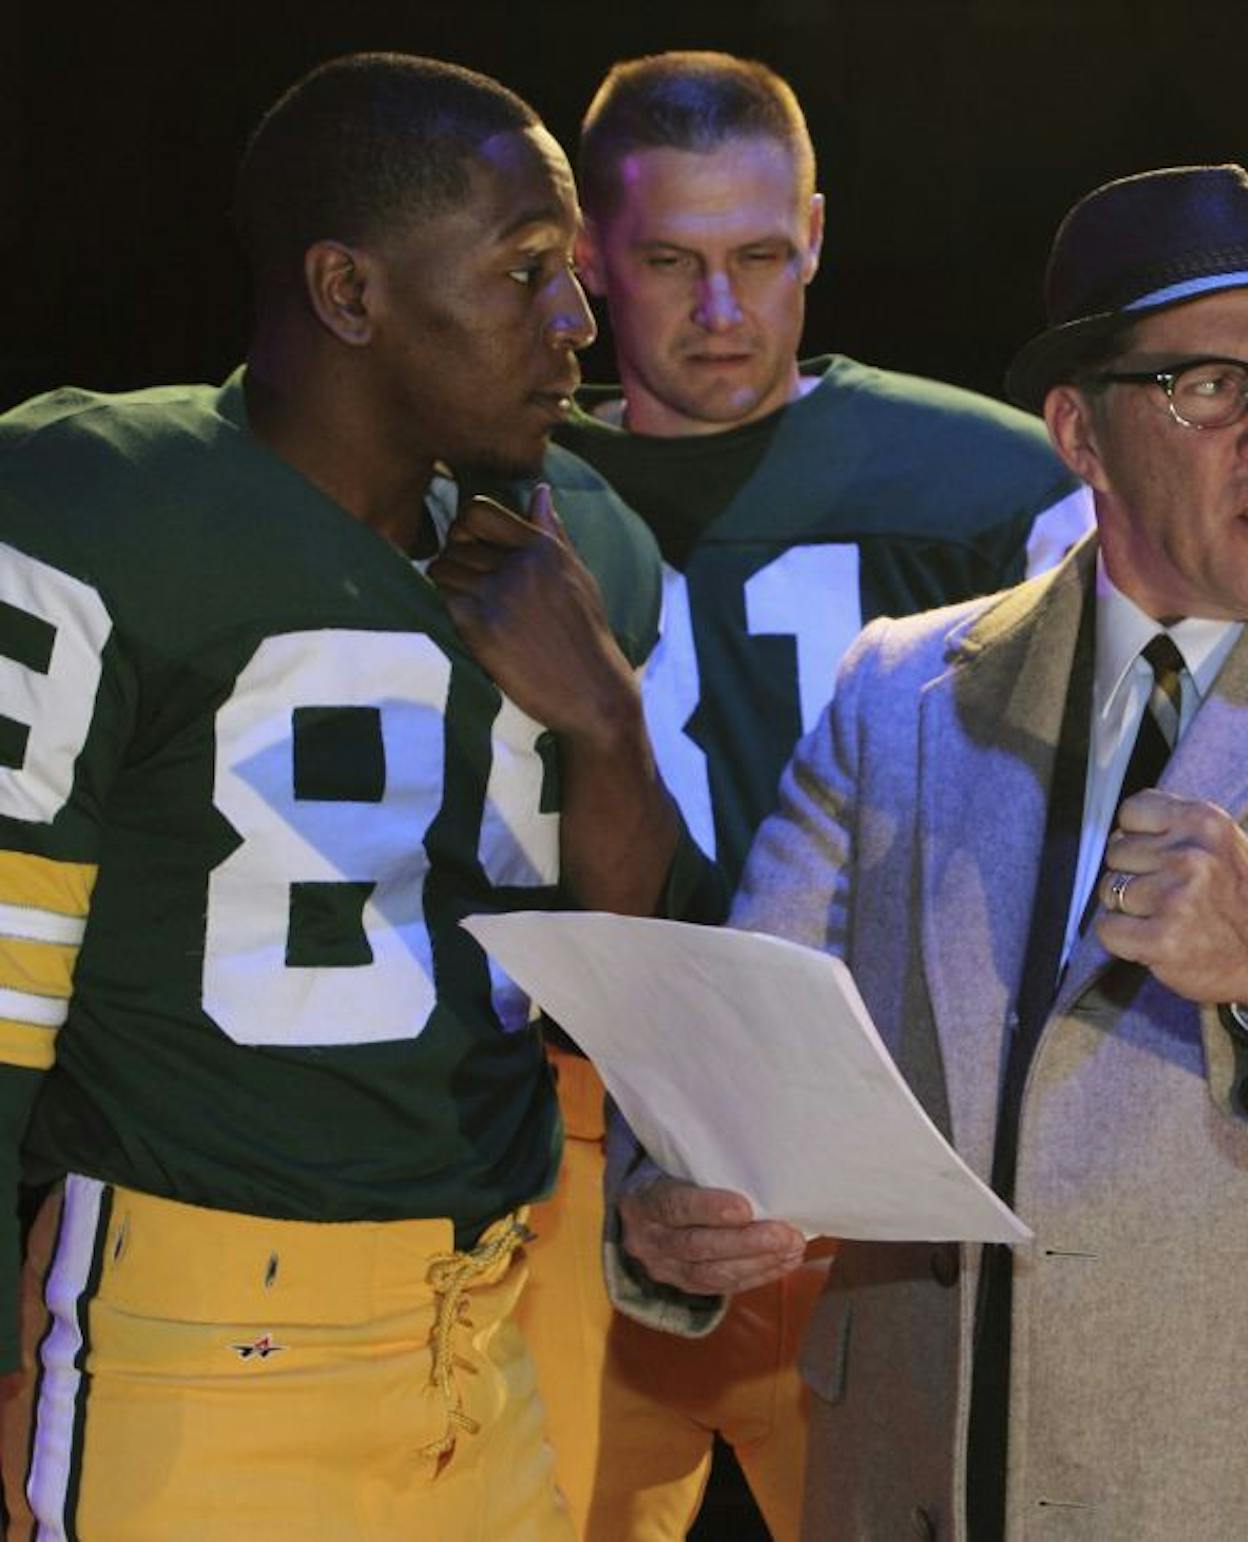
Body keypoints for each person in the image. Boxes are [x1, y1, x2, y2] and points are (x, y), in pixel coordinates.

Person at [606, 163, 1248, 1540]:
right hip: (927, 1485)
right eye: (1211, 384)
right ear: (1079, 432)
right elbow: (742, 1042)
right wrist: (666, 1209)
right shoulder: (897, 689)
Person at [0, 52, 688, 1537]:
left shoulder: (589, 551)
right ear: (348, 291)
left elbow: (624, 1000)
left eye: (572, 274)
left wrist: (607, 720)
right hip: (191, 1347)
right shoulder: (99, 501)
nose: (578, 323)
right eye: (524, 273)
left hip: (485, 1337)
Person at [514, 50, 1090, 1542]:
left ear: (817, 235)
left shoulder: (990, 481)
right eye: (670, 261)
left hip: (884, 1141)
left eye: (762, 258)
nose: (722, 311)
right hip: (574, 1151)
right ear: (585, 256)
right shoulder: (505, 477)